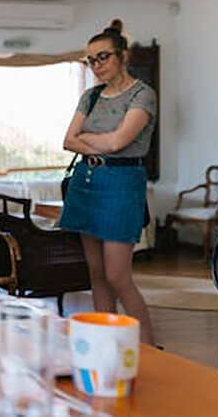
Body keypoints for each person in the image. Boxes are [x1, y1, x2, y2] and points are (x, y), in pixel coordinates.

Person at [59, 19, 157, 344]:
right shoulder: (90, 96)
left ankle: (148, 350)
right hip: (86, 182)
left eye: (103, 57)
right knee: (97, 275)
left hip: (122, 185)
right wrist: (96, 140)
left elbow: (118, 144)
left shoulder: (143, 95)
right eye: (91, 59)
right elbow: (68, 141)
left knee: (118, 276)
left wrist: (87, 138)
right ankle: (106, 344)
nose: (96, 65)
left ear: (122, 56)